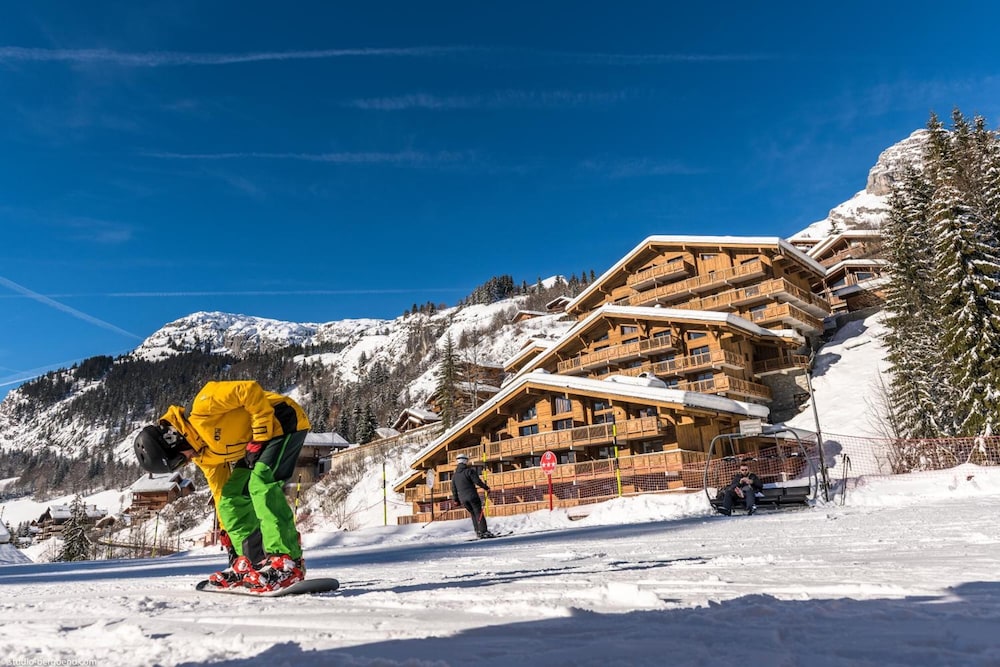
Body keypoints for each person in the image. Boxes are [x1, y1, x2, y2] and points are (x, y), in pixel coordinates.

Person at [133, 379, 311, 592]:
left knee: (261, 483)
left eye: (178, 460)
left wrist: (261, 435)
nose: (186, 462)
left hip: (283, 422)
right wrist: (228, 535)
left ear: (173, 440)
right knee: (230, 497)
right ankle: (252, 562)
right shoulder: (203, 455)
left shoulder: (203, 406)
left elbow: (249, 390)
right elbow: (220, 492)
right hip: (255, 445)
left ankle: (288, 563)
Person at [451, 454, 495, 538]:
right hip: (472, 496)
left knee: (473, 514)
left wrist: (456, 500)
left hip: (463, 499)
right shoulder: (469, 471)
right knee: (478, 513)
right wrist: (486, 488)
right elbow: (477, 481)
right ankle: (484, 531)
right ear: (465, 461)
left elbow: (453, 489)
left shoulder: (455, 476)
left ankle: (478, 531)